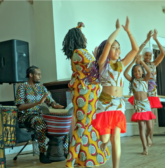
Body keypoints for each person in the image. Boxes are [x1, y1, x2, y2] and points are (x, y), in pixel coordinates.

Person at [91, 17, 139, 168]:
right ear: (107, 50)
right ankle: (103, 145)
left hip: (119, 105)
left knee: (116, 137)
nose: (118, 50)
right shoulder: (101, 64)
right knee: (105, 139)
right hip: (105, 104)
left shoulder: (121, 64)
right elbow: (109, 43)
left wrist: (128, 31)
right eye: (115, 47)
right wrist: (118, 29)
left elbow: (135, 50)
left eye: (119, 48)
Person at [62, 22, 110, 167]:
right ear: (78, 38)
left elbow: (92, 69)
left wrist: (95, 57)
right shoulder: (79, 52)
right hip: (85, 93)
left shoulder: (79, 52)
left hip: (87, 92)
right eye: (82, 35)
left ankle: (85, 157)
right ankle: (70, 162)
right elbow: (94, 68)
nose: (85, 38)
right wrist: (97, 56)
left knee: (87, 125)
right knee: (82, 126)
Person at [15, 65, 68, 164]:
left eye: (40, 74)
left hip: (41, 115)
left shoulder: (42, 88)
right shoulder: (22, 87)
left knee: (62, 122)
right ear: (31, 75)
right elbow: (20, 107)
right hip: (27, 116)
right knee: (40, 122)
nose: (40, 76)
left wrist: (57, 106)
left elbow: (51, 102)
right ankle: (42, 154)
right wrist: (38, 103)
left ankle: (64, 152)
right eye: (38, 74)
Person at [136, 30, 165, 145]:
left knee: (152, 116)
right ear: (143, 56)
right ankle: (146, 138)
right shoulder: (139, 63)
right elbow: (137, 51)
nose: (148, 57)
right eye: (146, 55)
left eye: (149, 55)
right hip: (142, 91)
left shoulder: (153, 64)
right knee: (145, 116)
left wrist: (156, 39)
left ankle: (150, 138)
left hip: (152, 91)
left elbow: (162, 53)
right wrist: (147, 39)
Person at [124, 55, 156, 155]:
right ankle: (144, 148)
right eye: (135, 71)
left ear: (142, 72)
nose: (137, 73)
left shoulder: (145, 79)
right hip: (138, 106)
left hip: (146, 105)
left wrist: (141, 62)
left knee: (150, 128)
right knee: (142, 127)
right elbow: (125, 73)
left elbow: (149, 72)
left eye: (139, 71)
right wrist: (133, 61)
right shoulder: (132, 81)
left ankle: (147, 137)